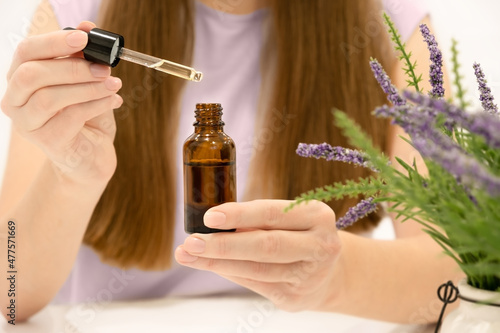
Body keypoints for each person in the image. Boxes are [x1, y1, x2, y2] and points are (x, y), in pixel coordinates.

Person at [0, 0, 461, 324]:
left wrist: (335, 277)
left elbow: (454, 278)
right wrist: (72, 175)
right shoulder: (74, 25)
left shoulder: (394, 29)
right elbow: (9, 288)